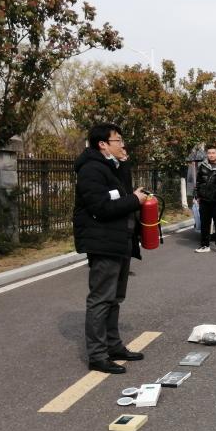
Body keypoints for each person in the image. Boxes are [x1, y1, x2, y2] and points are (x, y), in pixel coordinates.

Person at [72, 123, 148, 374]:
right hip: (103, 242)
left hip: (120, 239)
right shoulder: (91, 170)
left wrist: (124, 165)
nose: (122, 145)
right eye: (118, 141)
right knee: (101, 299)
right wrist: (134, 199)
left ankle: (114, 346)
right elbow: (102, 208)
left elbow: (121, 193)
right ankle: (97, 355)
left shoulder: (110, 167)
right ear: (103, 144)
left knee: (115, 298)